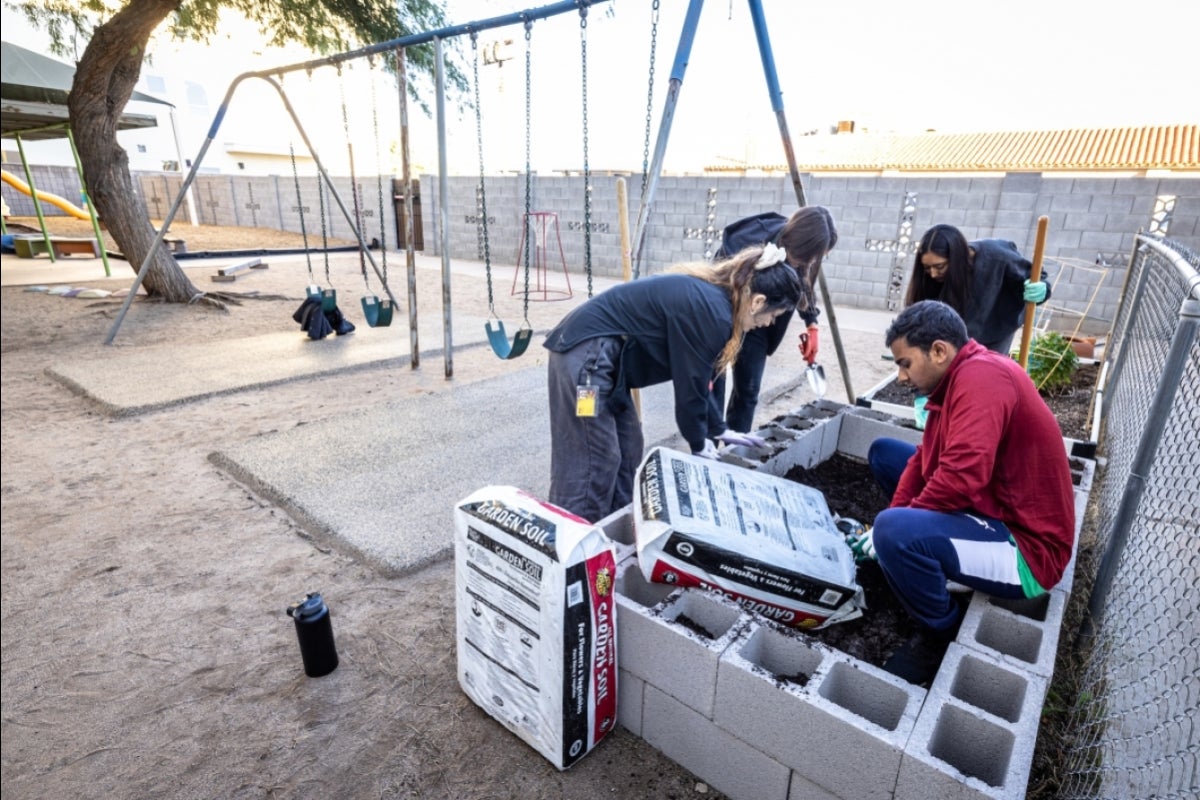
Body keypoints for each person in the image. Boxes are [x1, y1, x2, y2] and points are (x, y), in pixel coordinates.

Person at [847, 300, 1076, 685]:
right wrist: (888, 526)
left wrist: (894, 530)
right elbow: (924, 461)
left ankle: (940, 632)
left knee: (895, 531)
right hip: (994, 508)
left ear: (939, 351)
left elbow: (962, 476)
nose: (901, 377)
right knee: (885, 454)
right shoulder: (959, 375)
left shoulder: (982, 379)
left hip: (1028, 549)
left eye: (905, 363)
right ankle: (907, 546)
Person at [544, 244, 803, 523]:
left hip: (609, 366)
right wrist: (698, 441)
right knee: (596, 458)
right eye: (774, 316)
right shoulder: (714, 312)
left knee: (629, 448)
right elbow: (689, 387)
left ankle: (613, 529)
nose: (768, 324)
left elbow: (704, 381)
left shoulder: (719, 305)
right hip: (587, 361)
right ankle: (574, 540)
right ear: (758, 302)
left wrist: (718, 429)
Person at [708, 207, 838, 437]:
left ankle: (735, 451)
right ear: (797, 244)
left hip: (761, 320)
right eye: (809, 258)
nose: (810, 262)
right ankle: (707, 445)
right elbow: (719, 283)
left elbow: (804, 285)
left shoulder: (804, 256)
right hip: (726, 311)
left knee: (748, 391)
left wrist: (812, 324)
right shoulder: (746, 242)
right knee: (714, 384)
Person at [907, 223, 1050, 355]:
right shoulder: (931, 279)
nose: (933, 274)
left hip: (997, 328)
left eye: (940, 267)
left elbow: (1036, 277)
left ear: (957, 257)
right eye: (927, 268)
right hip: (958, 332)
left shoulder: (997, 255)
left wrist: (1042, 289)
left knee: (985, 370)